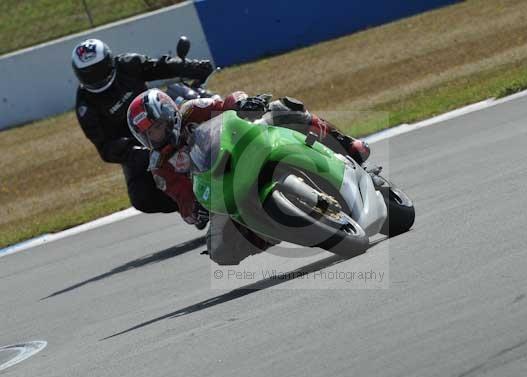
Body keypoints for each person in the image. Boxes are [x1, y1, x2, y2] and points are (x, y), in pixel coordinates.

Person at [126, 88, 371, 264]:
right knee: (219, 250)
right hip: (221, 190)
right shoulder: (159, 165)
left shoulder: (192, 110)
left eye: (156, 127)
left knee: (282, 108)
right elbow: (182, 202)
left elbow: (226, 104)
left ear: (168, 114)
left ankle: (345, 143)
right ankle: (272, 231)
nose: (154, 137)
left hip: (240, 150)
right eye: (147, 135)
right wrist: (194, 211)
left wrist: (243, 103)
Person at [72, 38, 213, 220]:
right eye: (88, 75)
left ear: (109, 62)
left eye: (98, 70)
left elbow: (161, 66)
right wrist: (132, 151)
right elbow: (104, 147)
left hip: (164, 116)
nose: (95, 77)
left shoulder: (127, 64)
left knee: (197, 102)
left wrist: (192, 67)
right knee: (142, 198)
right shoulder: (85, 105)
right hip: (137, 147)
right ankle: (193, 207)